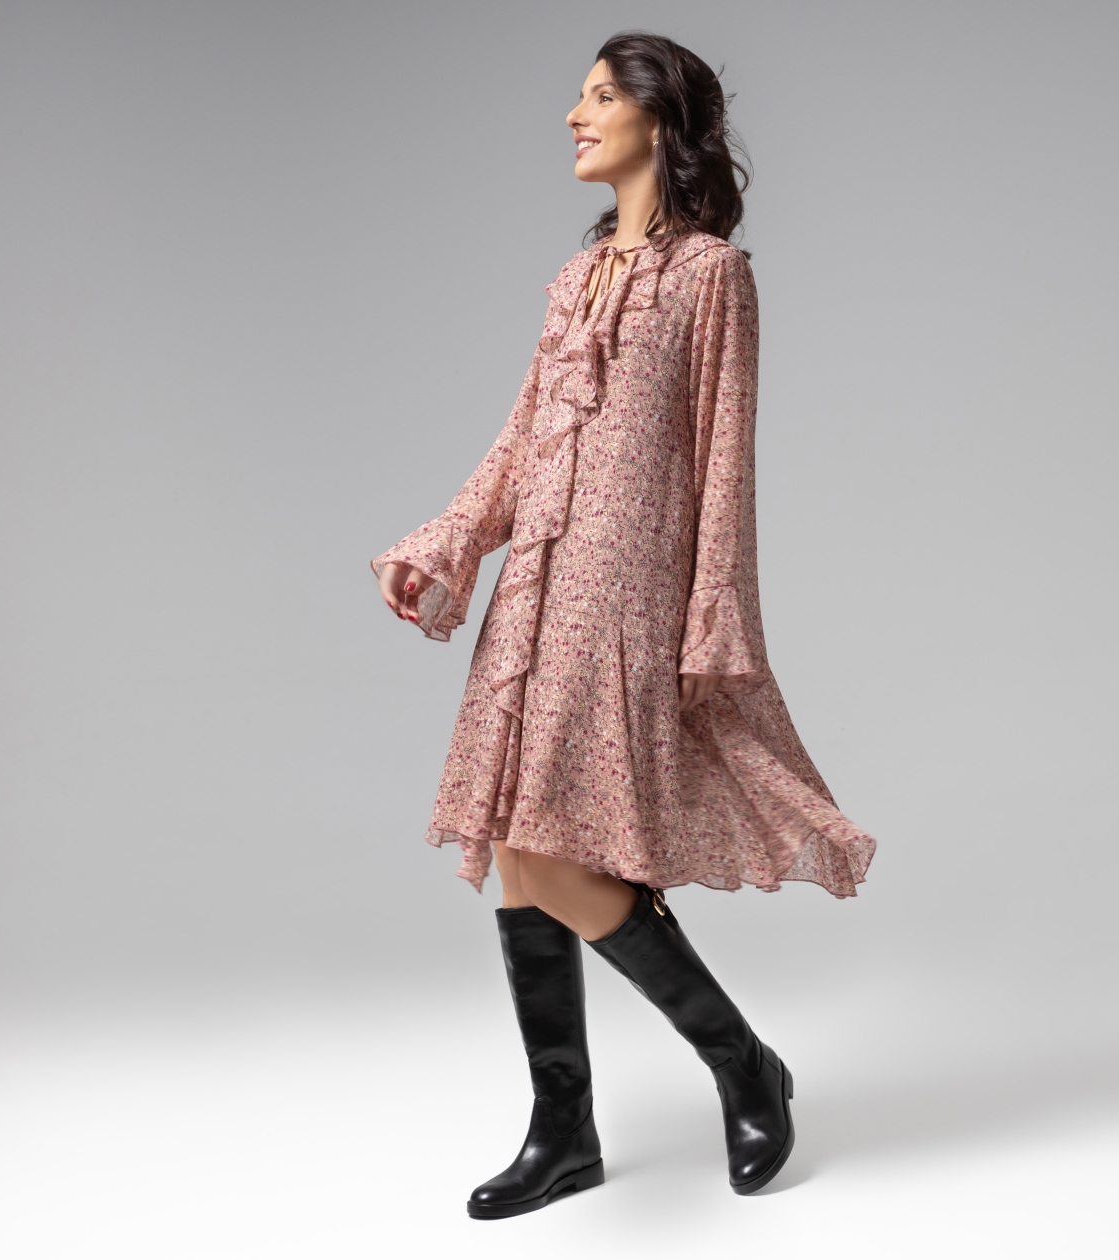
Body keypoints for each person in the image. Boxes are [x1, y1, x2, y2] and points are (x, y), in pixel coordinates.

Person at [372, 31, 877, 1218]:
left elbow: (725, 461)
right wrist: (449, 540)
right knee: (518, 845)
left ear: (659, 119)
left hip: (628, 591)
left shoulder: (712, 277)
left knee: (558, 848)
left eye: (600, 96)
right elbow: (522, 439)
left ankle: (740, 1061)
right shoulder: (575, 278)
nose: (574, 114)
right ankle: (565, 1130)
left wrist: (715, 616)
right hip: (534, 589)